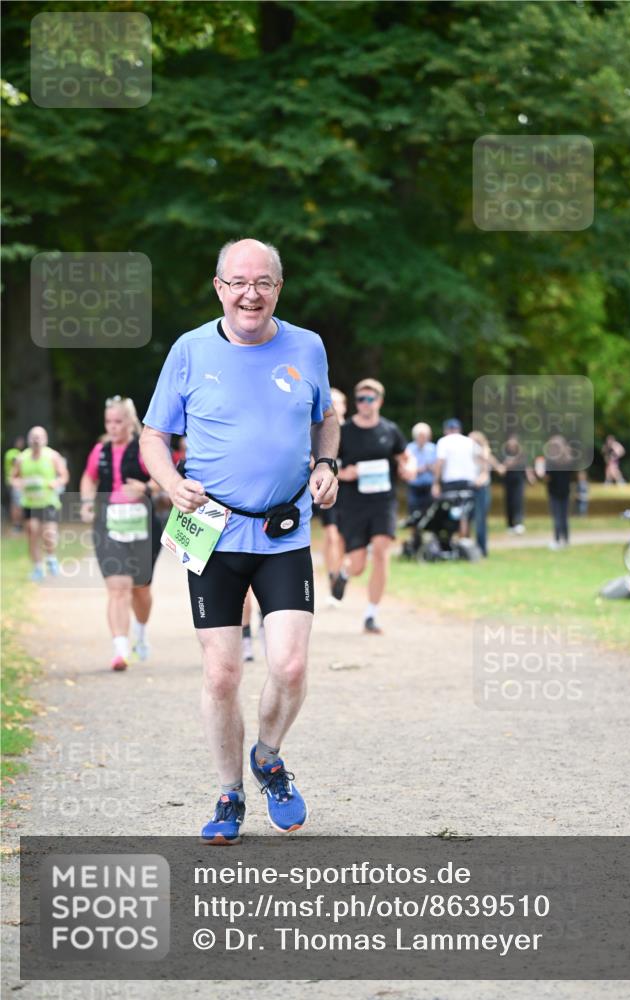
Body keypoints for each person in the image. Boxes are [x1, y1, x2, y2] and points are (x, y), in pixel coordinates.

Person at [140, 238, 339, 844]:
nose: (250, 293)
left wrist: (326, 463)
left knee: (291, 663)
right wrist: (172, 483)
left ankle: (269, 760)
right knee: (222, 674)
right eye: (238, 282)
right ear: (219, 287)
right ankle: (229, 794)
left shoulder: (307, 346)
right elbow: (153, 436)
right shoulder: (189, 350)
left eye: (263, 282)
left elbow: (324, 414)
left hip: (284, 530)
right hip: (214, 532)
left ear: (279, 287)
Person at [80, 396, 162, 672]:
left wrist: (145, 488)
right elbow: (88, 478)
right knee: (118, 587)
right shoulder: (100, 451)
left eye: (118, 421)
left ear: (130, 421)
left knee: (141, 588)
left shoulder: (145, 448)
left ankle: (140, 631)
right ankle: (120, 650)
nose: (113, 427)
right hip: (108, 525)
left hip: (143, 526)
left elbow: (163, 478)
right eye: (109, 422)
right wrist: (87, 502)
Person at [330, 378, 415, 634]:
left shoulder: (389, 430)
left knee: (381, 549)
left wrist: (408, 468)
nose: (365, 404)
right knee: (357, 565)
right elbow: (325, 464)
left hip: (383, 501)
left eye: (370, 399)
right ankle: (344, 573)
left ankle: (371, 615)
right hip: (354, 503)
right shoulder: (344, 431)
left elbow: (405, 457)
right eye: (360, 400)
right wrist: (344, 473)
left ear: (380, 401)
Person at [11, 427, 69, 581]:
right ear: (29, 440)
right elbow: (13, 477)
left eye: (39, 437)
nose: (36, 440)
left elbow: (64, 476)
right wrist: (18, 483)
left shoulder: (53, 456)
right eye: (33, 437)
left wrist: (56, 483)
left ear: (45, 439)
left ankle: (51, 557)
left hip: (48, 501)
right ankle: (37, 567)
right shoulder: (22, 458)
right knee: (32, 533)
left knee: (49, 533)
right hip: (29, 503)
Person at [314, 387, 347, 602]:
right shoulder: (320, 431)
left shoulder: (354, 430)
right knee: (331, 535)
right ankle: (332, 576)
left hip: (351, 494)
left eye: (338, 402)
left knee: (343, 538)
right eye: (331, 401)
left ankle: (340, 571)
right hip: (328, 490)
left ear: (345, 405)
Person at [432, 419, 477, 538]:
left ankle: (453, 539)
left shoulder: (443, 442)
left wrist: (436, 483)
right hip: (468, 481)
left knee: (451, 512)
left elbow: (440, 462)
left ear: (446, 430)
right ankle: (466, 539)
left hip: (450, 482)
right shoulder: (469, 441)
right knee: (465, 513)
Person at [469, 430, 503, 557]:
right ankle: (475, 548)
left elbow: (487, 458)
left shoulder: (481, 451)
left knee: (479, 520)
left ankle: (481, 549)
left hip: (481, 488)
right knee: (473, 519)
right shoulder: (476, 452)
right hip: (473, 487)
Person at [538, 435, 573, 550]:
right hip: (566, 491)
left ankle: (557, 540)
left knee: (557, 516)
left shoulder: (551, 461)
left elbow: (547, 477)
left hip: (553, 491)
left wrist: (541, 475)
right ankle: (566, 539)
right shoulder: (569, 459)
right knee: (564, 516)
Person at [500, 435, 534, 534]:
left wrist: (530, 477)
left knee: (518, 501)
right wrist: (509, 463)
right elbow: (502, 468)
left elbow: (527, 467)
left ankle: (519, 523)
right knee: (509, 502)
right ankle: (510, 525)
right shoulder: (504, 454)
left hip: (519, 480)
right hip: (507, 480)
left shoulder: (522, 455)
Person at [406, 423, 436, 516]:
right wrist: (419, 469)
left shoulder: (433, 448)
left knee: (429, 511)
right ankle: (415, 530)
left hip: (429, 486)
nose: (422, 438)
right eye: (420, 436)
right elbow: (407, 468)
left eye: (424, 436)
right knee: (413, 510)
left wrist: (430, 467)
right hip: (414, 486)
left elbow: (437, 467)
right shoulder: (409, 448)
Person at [4, 434, 25, 534]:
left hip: (16, 482)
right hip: (14, 483)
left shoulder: (16, 453)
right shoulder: (12, 453)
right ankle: (16, 525)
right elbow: (17, 464)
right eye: (20, 441)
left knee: (17, 503)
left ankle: (19, 525)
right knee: (16, 504)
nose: (22, 443)